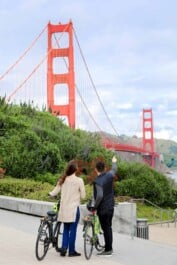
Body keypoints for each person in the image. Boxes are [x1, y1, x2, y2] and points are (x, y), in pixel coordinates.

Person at [49, 159, 86, 257]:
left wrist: (50, 194)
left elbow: (54, 191)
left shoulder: (63, 179)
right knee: (72, 230)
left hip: (64, 209)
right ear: (76, 169)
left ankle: (64, 249)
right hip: (74, 209)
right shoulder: (79, 181)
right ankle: (72, 251)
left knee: (65, 228)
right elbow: (83, 196)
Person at [93, 155, 117, 257]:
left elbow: (99, 195)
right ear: (105, 168)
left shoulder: (97, 181)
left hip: (103, 209)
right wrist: (114, 161)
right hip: (111, 206)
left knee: (106, 228)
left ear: (96, 170)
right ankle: (109, 246)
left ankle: (108, 250)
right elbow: (114, 169)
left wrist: (95, 206)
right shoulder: (109, 175)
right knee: (108, 227)